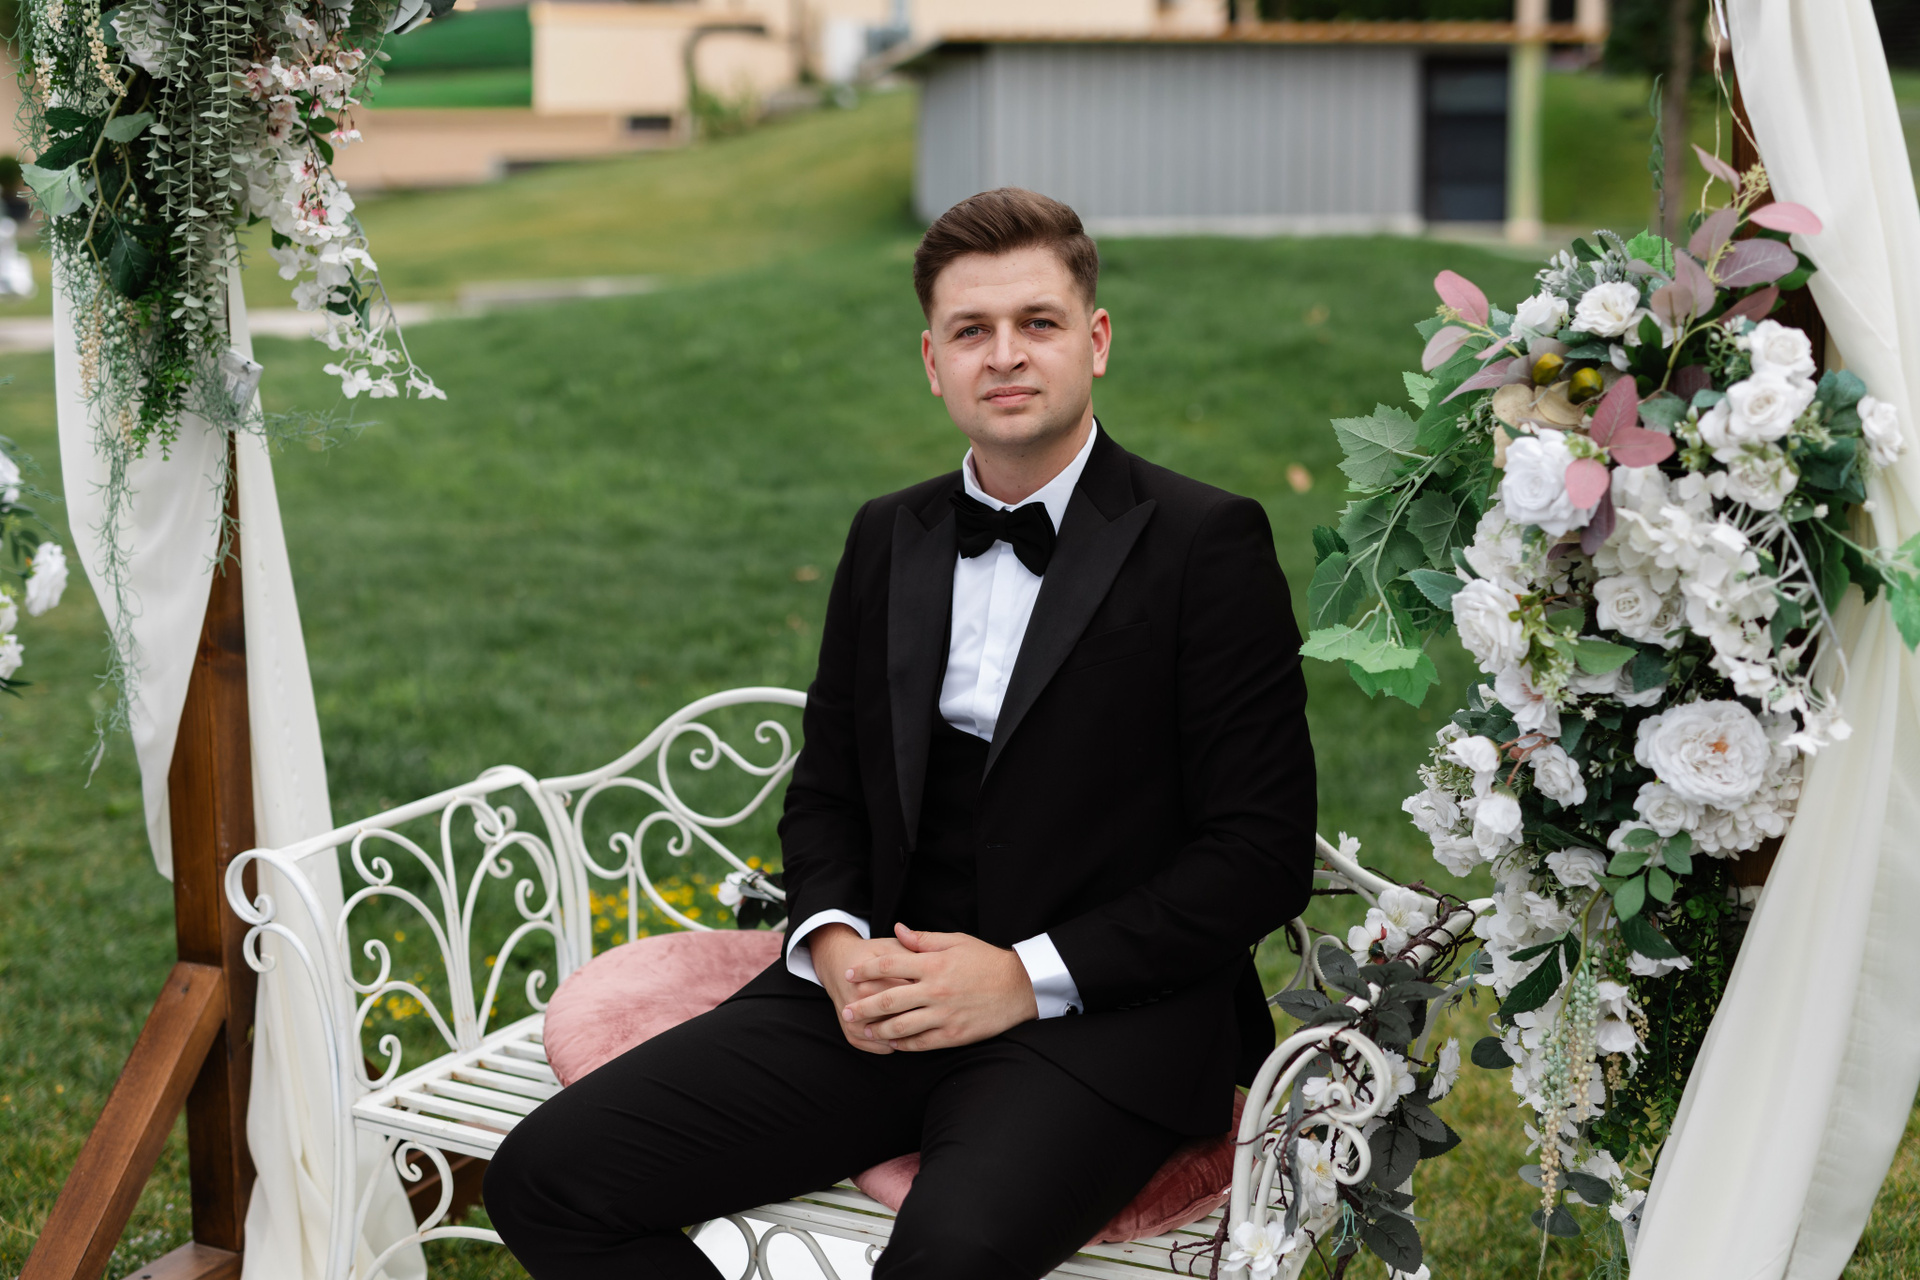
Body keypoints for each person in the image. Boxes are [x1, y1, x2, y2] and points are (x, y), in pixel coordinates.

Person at [485, 187, 1317, 1280]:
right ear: (933, 360)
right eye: (971, 330)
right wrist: (835, 947)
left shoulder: (1207, 541)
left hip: (1099, 1018)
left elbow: (1260, 852)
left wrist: (1020, 976)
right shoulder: (890, 534)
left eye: (1038, 322)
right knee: (547, 1180)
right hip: (877, 993)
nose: (1004, 354)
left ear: (1097, 340)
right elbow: (828, 788)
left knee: (947, 1260)